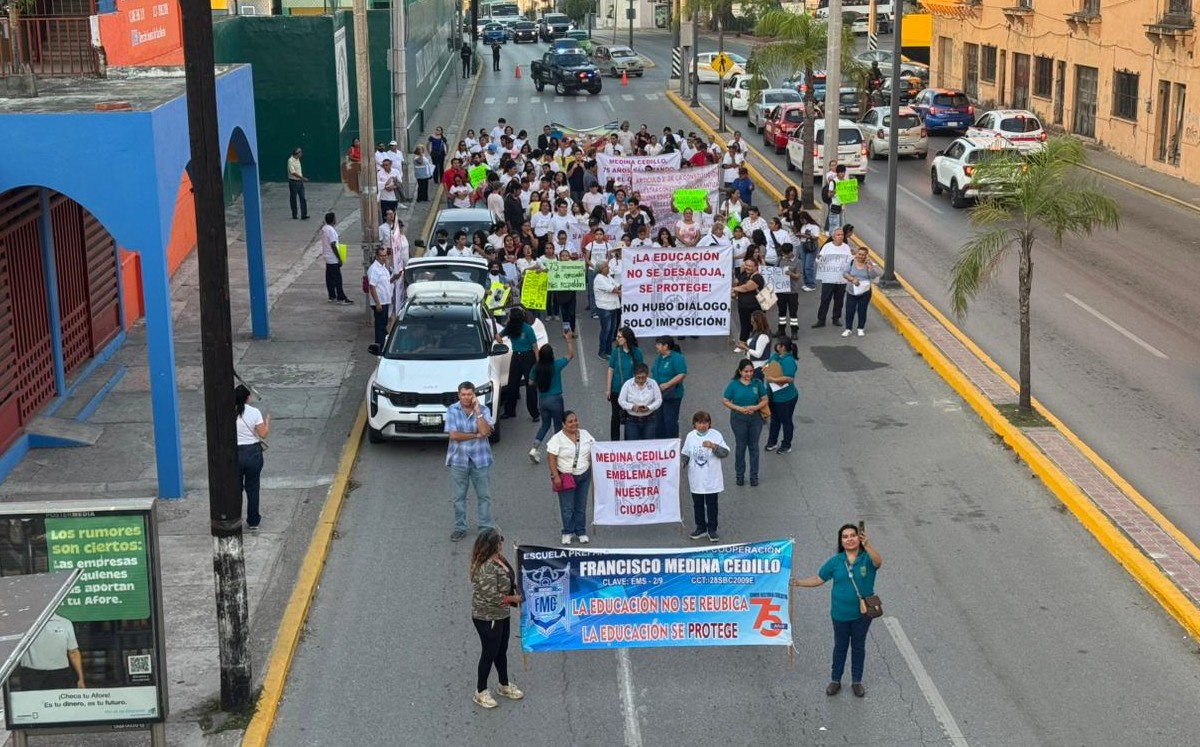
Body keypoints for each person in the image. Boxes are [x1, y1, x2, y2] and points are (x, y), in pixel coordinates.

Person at [792, 523, 883, 698]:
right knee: (840, 647)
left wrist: (868, 545)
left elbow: (878, 561)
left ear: (859, 538)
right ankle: (835, 680)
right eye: (845, 537)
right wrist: (799, 583)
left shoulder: (867, 559)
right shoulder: (835, 562)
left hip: (862, 615)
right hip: (840, 614)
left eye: (853, 535)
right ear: (841, 541)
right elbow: (819, 578)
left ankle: (857, 681)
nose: (849, 539)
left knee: (858, 647)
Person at [469, 529, 524, 709]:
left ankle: (504, 684)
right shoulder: (486, 568)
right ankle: (480, 690)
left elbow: (507, 580)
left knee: (501, 650)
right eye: (500, 540)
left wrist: (516, 587)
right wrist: (514, 599)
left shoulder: (499, 559)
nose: (502, 542)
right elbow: (492, 597)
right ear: (493, 545)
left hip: (501, 614)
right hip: (487, 616)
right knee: (489, 652)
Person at [445, 381, 495, 542]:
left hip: (480, 460)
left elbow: (486, 431)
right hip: (459, 460)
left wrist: (478, 412)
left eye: (469, 394)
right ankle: (460, 527)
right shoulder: (452, 410)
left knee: (484, 496)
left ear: (474, 395)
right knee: (459, 497)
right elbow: (453, 436)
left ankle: (485, 528)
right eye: (463, 394)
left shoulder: (484, 410)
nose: (466, 397)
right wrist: (475, 435)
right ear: (459, 395)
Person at [546, 411, 597, 545]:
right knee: (567, 507)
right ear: (563, 424)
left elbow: (595, 449)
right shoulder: (557, 439)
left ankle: (581, 531)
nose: (574, 423)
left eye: (575, 420)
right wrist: (555, 476)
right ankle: (567, 531)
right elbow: (551, 458)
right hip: (566, 476)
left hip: (584, 475)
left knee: (581, 505)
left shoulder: (585, 434)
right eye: (570, 421)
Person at [681, 411, 730, 542]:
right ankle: (701, 527)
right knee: (697, 504)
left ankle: (712, 529)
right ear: (694, 424)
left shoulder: (716, 435)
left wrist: (714, 446)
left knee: (712, 504)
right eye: (699, 423)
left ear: (709, 424)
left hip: (711, 478)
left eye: (705, 423)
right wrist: (683, 463)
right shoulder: (690, 436)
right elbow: (685, 453)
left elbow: (725, 453)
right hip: (696, 478)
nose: (702, 425)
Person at [529, 331, 575, 464]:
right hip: (556, 400)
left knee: (545, 425)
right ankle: (557, 453)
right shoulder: (556, 365)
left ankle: (534, 448)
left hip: (543, 400)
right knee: (558, 427)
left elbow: (530, 382)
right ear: (552, 356)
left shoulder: (536, 367)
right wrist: (569, 340)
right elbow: (571, 355)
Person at [722, 358, 768, 487]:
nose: (748, 374)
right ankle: (740, 475)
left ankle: (754, 476)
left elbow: (765, 399)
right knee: (741, 447)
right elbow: (725, 400)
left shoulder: (757, 383)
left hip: (755, 419)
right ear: (740, 371)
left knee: (754, 447)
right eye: (746, 371)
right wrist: (740, 409)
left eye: (751, 371)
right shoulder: (734, 384)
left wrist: (755, 407)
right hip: (738, 419)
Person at [15, 614, 84, 690]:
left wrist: (81, 679)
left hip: (60, 675)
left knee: (58, 701)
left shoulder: (65, 623)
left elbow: (73, 652)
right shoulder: (23, 624)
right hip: (32, 675)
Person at [235, 383, 269, 531]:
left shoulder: (228, 411)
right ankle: (253, 521)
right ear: (247, 398)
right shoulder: (254, 412)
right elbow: (263, 434)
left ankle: (234, 518)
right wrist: (267, 422)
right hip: (253, 453)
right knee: (253, 488)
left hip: (235, 453)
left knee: (236, 489)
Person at [498, 308, 539, 420]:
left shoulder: (528, 329)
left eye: (509, 316)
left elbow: (535, 348)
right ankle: (510, 411)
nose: (508, 318)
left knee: (530, 386)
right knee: (512, 385)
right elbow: (498, 335)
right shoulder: (510, 328)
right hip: (516, 356)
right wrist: (499, 340)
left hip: (528, 357)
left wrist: (538, 364)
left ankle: (534, 413)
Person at [606, 327, 644, 440]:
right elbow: (611, 369)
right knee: (615, 417)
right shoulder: (616, 351)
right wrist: (608, 388)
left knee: (630, 418)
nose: (617, 339)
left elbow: (641, 371)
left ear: (626, 338)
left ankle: (629, 442)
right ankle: (615, 442)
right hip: (616, 389)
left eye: (619, 337)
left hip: (631, 391)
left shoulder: (637, 352)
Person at [813, 227, 853, 328]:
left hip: (841, 279)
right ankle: (821, 319)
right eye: (838, 235)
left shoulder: (846, 247)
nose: (841, 237)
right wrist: (819, 258)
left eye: (842, 235)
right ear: (833, 237)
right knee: (825, 299)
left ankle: (836, 318)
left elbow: (849, 261)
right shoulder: (827, 247)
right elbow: (819, 260)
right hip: (828, 279)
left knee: (839, 300)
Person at [764, 338, 799, 454]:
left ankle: (786, 444)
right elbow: (767, 365)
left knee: (786, 421)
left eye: (778, 344)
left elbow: (789, 378)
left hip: (786, 398)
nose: (776, 346)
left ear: (783, 347)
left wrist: (773, 379)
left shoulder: (788, 361)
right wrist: (765, 369)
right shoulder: (776, 356)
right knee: (774, 420)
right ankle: (772, 442)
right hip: (774, 396)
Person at [651, 335, 687, 440]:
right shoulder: (659, 358)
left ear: (665, 346)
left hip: (672, 395)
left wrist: (668, 384)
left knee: (670, 421)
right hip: (658, 394)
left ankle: (672, 444)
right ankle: (660, 444)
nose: (656, 346)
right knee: (658, 421)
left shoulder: (677, 358)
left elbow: (682, 374)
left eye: (658, 344)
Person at [842, 246, 881, 337]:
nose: (861, 256)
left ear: (866, 256)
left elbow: (873, 276)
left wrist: (870, 268)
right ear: (856, 254)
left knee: (862, 310)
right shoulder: (851, 262)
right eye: (859, 254)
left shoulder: (868, 265)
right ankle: (848, 329)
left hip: (865, 292)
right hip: (852, 291)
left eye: (863, 255)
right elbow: (845, 273)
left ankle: (860, 328)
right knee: (849, 311)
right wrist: (852, 279)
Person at [618, 362, 662, 440]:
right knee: (632, 446)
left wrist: (649, 407)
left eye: (643, 377)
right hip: (631, 420)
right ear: (634, 375)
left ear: (647, 375)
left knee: (649, 446)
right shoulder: (627, 384)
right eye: (638, 377)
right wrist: (632, 407)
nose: (641, 380)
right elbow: (621, 400)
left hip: (649, 420)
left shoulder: (653, 383)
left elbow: (658, 400)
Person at [367, 245, 396, 346]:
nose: (384, 258)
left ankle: (383, 343)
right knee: (380, 325)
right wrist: (378, 303)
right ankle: (379, 344)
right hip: (380, 302)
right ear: (377, 256)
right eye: (382, 256)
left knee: (384, 324)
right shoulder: (374, 269)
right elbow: (372, 286)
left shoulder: (383, 267)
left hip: (386, 300)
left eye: (385, 255)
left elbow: (386, 282)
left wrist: (395, 278)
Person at [320, 212, 351, 304]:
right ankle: (341, 297)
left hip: (327, 256)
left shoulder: (324, 228)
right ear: (333, 220)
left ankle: (332, 295)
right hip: (333, 258)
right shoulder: (331, 230)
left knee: (329, 278)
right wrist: (339, 258)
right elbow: (333, 244)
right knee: (337, 278)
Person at [732, 257, 765, 341]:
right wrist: (734, 292)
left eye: (750, 266)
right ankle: (743, 342)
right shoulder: (743, 274)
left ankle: (757, 343)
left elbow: (746, 288)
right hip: (743, 306)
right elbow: (737, 283)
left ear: (756, 267)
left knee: (758, 326)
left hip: (755, 308)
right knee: (744, 326)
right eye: (746, 265)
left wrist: (733, 289)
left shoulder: (757, 277)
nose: (747, 267)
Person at [593, 261, 621, 360]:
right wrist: (620, 291)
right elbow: (613, 289)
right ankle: (602, 352)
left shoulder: (608, 277)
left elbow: (617, 285)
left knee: (612, 330)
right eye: (606, 266)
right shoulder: (599, 279)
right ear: (601, 268)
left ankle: (609, 351)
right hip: (604, 307)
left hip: (613, 306)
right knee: (606, 330)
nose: (608, 268)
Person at [734, 309, 771, 377]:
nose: (751, 323)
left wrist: (745, 348)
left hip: (758, 367)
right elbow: (752, 344)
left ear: (758, 322)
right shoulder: (755, 332)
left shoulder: (763, 336)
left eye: (753, 322)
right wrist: (744, 345)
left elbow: (758, 354)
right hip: (752, 365)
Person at [776, 243, 801, 339]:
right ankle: (781, 330)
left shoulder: (797, 262)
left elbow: (798, 276)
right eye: (784, 253)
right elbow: (774, 271)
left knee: (793, 313)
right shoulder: (779, 260)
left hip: (792, 292)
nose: (786, 256)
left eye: (787, 253)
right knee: (781, 313)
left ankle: (794, 331)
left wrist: (790, 273)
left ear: (791, 251)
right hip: (781, 291)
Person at [795, 210, 821, 292]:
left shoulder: (814, 226)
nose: (802, 221)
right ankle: (806, 283)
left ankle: (811, 284)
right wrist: (799, 235)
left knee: (808, 266)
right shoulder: (803, 226)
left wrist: (804, 235)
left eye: (802, 219)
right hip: (803, 245)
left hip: (811, 246)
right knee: (803, 266)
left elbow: (816, 237)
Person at [287, 147, 309, 220]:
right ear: (297, 154)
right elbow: (293, 172)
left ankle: (304, 214)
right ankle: (294, 214)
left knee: (302, 197)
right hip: (293, 182)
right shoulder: (290, 161)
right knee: (293, 198)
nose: (301, 154)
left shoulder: (297, 159)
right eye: (300, 152)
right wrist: (303, 178)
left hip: (299, 182)